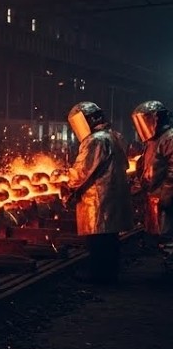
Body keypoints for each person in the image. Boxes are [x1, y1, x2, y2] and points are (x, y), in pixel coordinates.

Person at [62, 102, 133, 284]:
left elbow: (82, 170)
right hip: (113, 195)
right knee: (110, 239)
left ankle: (98, 276)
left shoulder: (96, 140)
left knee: (98, 241)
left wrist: (67, 185)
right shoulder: (114, 136)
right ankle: (110, 274)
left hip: (98, 198)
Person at [132, 100, 173, 253]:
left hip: (165, 198)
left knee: (168, 237)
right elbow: (144, 168)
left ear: (157, 119)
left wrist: (167, 195)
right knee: (160, 237)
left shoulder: (169, 138)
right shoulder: (152, 142)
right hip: (156, 197)